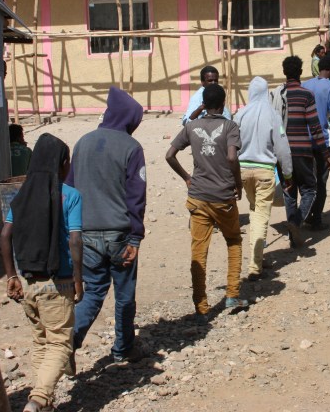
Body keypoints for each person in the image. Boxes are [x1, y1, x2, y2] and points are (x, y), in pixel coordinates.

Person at [0, 133, 83, 412]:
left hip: (29, 282)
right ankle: (38, 400)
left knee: (41, 341)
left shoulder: (21, 195)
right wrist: (78, 279)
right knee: (60, 344)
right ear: (61, 164)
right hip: (59, 282)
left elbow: (5, 236)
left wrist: (12, 276)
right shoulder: (70, 195)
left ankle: (43, 403)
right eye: (67, 161)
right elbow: (75, 240)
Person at [67, 88, 146, 363]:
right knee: (124, 295)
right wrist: (135, 237)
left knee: (92, 292)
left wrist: (70, 231)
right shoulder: (131, 147)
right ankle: (123, 349)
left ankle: (68, 343)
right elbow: (136, 196)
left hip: (85, 234)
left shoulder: (82, 143)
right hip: (119, 235)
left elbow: (69, 189)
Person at [166, 84, 248, 318]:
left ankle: (201, 305)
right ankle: (232, 294)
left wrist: (187, 177)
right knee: (233, 240)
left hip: (198, 196)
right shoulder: (230, 126)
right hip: (223, 196)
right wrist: (238, 183)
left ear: (203, 104)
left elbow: (169, 155)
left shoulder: (191, 126)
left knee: (199, 251)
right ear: (223, 104)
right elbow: (232, 157)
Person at [234, 77, 293, 280]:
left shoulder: (240, 114)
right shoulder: (273, 115)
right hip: (265, 173)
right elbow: (283, 148)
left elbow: (232, 145)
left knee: (255, 211)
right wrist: (287, 174)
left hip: (242, 171)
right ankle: (254, 266)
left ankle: (257, 256)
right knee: (260, 215)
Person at [274, 56, 330, 247]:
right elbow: (315, 127)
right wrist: (326, 155)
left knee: (289, 192)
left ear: (284, 72)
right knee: (309, 189)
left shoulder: (277, 95)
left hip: (282, 152)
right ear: (300, 72)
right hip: (302, 152)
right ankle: (296, 222)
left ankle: (294, 239)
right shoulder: (306, 95)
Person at [302, 54, 330, 230]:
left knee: (307, 181)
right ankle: (316, 219)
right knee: (321, 181)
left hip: (303, 140)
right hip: (322, 141)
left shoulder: (305, 85)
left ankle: (306, 214)